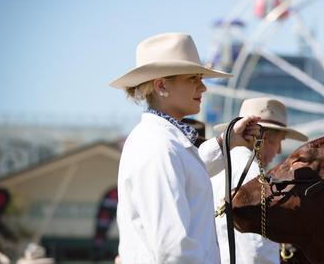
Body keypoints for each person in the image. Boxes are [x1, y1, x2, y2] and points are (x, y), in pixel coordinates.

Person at [110, 33, 260, 263]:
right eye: (193, 79)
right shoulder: (159, 146)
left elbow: (186, 170)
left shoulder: (161, 142)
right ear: (161, 85)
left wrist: (226, 143)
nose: (203, 88)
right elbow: (172, 248)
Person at [211, 98, 308, 264]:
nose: (279, 150)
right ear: (266, 137)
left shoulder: (217, 166)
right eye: (280, 141)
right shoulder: (253, 175)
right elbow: (257, 249)